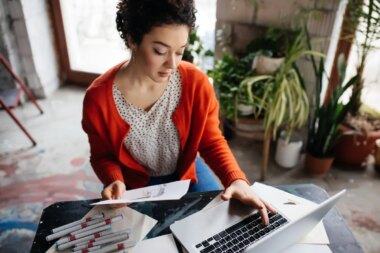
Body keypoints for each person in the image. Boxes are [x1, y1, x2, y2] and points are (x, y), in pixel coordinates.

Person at [81, 0, 275, 224]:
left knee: (219, 224)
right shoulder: (98, 99)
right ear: (132, 39)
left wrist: (236, 179)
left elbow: (211, 141)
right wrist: (113, 178)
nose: (172, 64)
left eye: (180, 52)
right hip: (132, 184)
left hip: (186, 172)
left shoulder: (196, 83)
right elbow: (102, 156)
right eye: (160, 51)